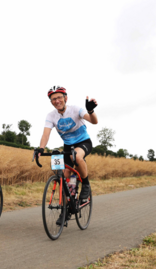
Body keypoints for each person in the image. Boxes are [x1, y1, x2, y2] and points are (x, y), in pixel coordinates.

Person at [34, 85, 98, 224]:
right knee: (62, 175)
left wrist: (90, 110)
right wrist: (41, 148)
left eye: (59, 98)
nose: (57, 101)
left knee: (78, 156)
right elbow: (46, 134)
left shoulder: (75, 109)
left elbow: (94, 121)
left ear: (65, 98)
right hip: (68, 146)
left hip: (83, 142)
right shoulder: (51, 116)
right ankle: (65, 211)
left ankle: (85, 185)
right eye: (53, 99)